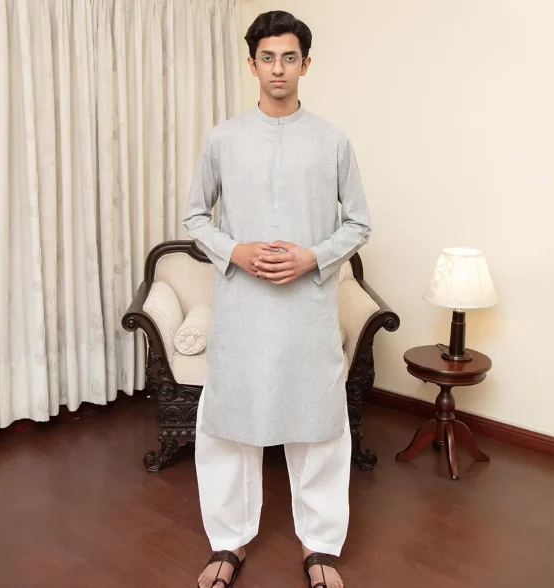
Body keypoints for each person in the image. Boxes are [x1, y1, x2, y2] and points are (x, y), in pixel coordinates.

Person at [182, 10, 371, 588]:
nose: (278, 68)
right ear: (252, 64)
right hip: (241, 307)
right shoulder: (222, 138)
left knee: (317, 424)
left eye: (289, 57)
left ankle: (320, 546)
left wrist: (312, 257)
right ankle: (228, 541)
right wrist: (235, 251)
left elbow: (358, 223)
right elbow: (195, 216)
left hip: (306, 309)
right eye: (268, 58)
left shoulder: (332, 140)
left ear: (305, 64)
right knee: (229, 424)